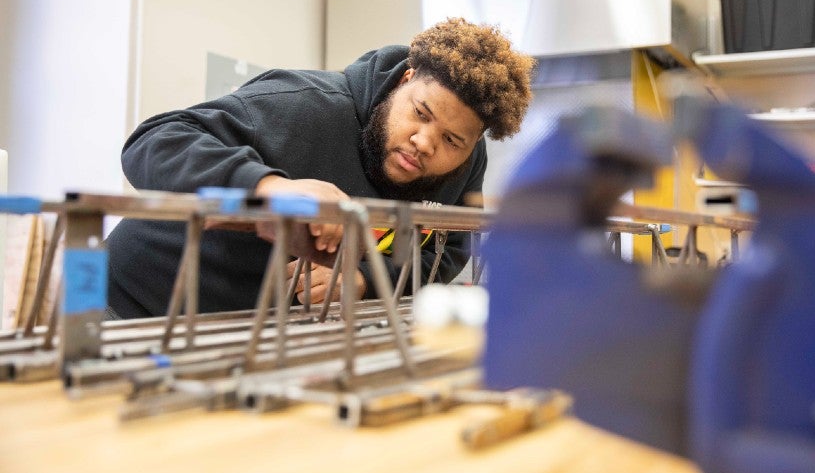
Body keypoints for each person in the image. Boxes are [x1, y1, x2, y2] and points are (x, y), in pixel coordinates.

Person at [105, 17, 535, 318]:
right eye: (421, 113)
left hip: (242, 336)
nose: (425, 143)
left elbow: (444, 249)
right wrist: (270, 188)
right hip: (131, 307)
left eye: (451, 140)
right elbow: (153, 140)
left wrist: (365, 280)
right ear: (405, 80)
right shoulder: (301, 105)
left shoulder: (463, 162)